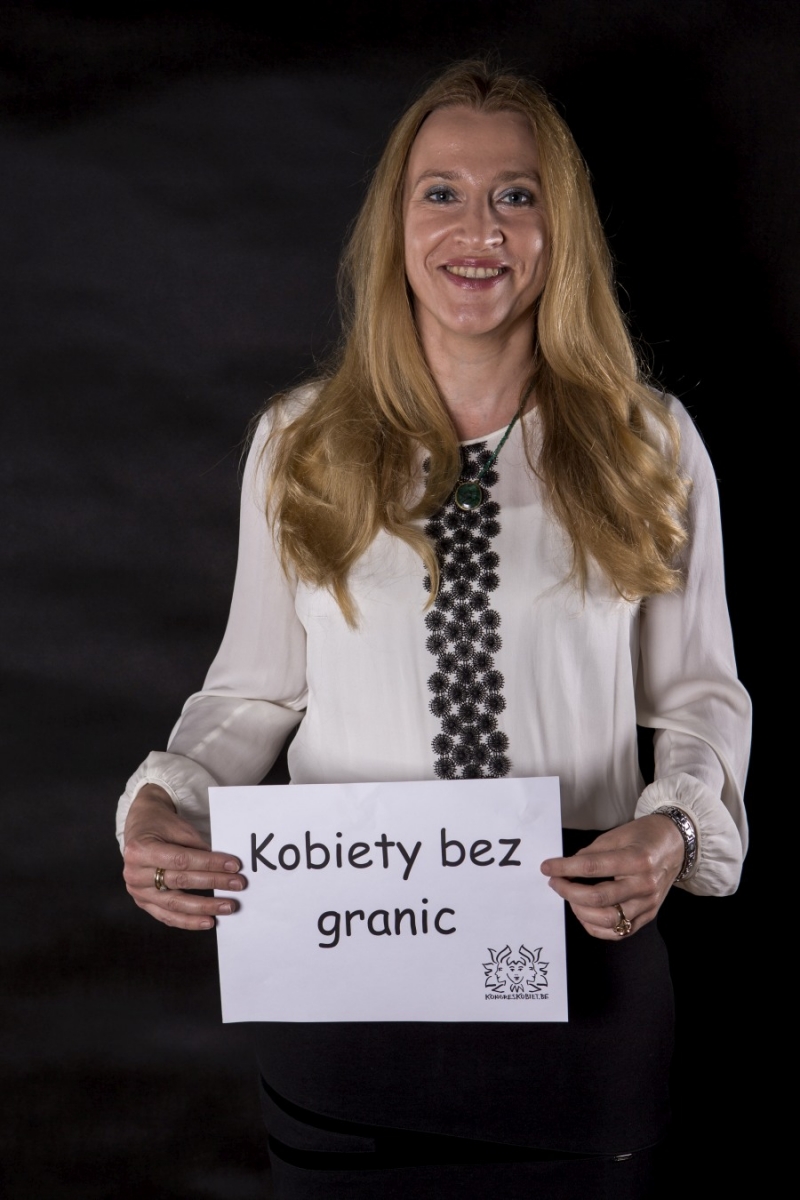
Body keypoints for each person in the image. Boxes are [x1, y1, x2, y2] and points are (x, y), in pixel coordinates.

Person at [117, 61, 750, 1199]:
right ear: (395, 226)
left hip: (579, 988)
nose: (479, 229)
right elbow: (253, 691)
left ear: (559, 231)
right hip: (340, 995)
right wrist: (168, 804)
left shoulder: (646, 442)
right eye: (441, 192)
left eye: (516, 195)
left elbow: (699, 695)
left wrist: (672, 829)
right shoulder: (301, 442)